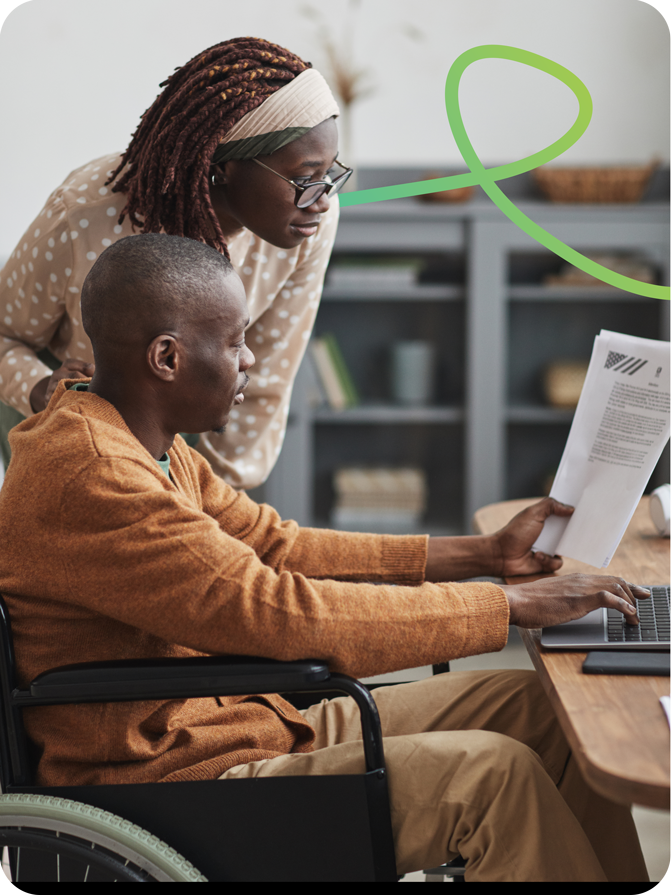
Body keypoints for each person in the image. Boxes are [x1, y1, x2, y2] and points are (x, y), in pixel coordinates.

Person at [0, 234, 649, 882]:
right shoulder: (96, 474)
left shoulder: (144, 441)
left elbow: (279, 545)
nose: (250, 360)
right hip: (181, 781)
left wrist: (483, 553)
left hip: (251, 723)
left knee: (547, 714)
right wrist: (505, 606)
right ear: (167, 357)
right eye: (233, 341)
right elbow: (278, 613)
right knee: (494, 776)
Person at [0, 36, 346, 488]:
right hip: (64, 424)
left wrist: (218, 503)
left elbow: (266, 381)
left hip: (191, 437)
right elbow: (4, 336)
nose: (323, 199)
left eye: (331, 174)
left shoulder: (308, 223)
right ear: (224, 167)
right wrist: (41, 389)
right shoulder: (86, 214)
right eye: (305, 179)